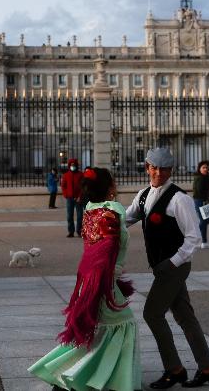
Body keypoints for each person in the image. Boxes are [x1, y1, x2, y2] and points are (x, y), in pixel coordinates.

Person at [30, 167, 140, 390]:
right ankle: (90, 378)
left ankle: (86, 375)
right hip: (103, 281)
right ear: (110, 188)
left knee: (97, 327)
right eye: (114, 182)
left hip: (90, 278)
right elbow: (108, 249)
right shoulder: (113, 210)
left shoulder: (90, 208)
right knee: (121, 325)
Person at [125, 148, 209, 389]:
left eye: (164, 169)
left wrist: (172, 263)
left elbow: (193, 237)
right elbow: (127, 218)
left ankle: (174, 369)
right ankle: (208, 368)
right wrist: (102, 221)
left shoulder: (180, 199)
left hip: (173, 266)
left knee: (152, 314)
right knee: (185, 316)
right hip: (162, 265)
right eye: (154, 167)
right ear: (147, 167)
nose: (158, 172)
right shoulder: (144, 195)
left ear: (171, 170)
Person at [191, 160, 209, 249]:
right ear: (199, 169)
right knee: (203, 221)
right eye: (203, 167)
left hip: (204, 201)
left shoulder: (205, 177)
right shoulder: (200, 178)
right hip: (201, 201)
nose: (205, 169)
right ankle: (201, 241)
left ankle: (203, 241)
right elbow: (200, 191)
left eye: (207, 167)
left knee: (205, 221)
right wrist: (208, 194)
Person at [61, 158, 85, 238]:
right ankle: (71, 231)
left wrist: (80, 196)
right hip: (70, 198)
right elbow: (63, 186)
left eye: (74, 165)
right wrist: (66, 195)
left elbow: (83, 187)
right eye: (71, 165)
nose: (73, 166)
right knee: (69, 216)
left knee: (79, 216)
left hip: (78, 198)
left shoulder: (81, 174)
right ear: (69, 166)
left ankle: (79, 231)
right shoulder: (66, 175)